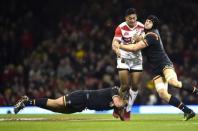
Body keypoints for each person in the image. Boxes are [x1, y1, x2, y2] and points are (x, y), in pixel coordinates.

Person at [113, 15, 197, 121]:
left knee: (173, 82)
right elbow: (140, 38)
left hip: (165, 64)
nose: (147, 22)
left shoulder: (152, 35)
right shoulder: (147, 34)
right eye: (147, 20)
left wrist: (119, 45)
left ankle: (196, 91)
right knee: (162, 94)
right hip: (156, 69)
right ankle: (188, 111)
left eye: (150, 22)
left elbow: (134, 48)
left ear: (154, 25)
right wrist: (137, 38)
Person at [14, 86, 127, 121]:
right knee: (55, 103)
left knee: (55, 109)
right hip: (81, 97)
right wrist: (126, 105)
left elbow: (117, 116)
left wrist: (121, 111)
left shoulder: (117, 98)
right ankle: (26, 101)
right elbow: (117, 104)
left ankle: (28, 101)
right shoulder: (115, 90)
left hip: (82, 106)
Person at [112, 8, 144, 120]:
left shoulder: (141, 26)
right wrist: (117, 51)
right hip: (124, 58)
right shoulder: (120, 27)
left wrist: (140, 38)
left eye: (134, 18)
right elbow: (114, 43)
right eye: (130, 18)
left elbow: (144, 40)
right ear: (126, 18)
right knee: (125, 86)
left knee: (135, 85)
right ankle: (118, 107)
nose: (132, 20)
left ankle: (128, 109)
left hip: (136, 60)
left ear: (136, 17)